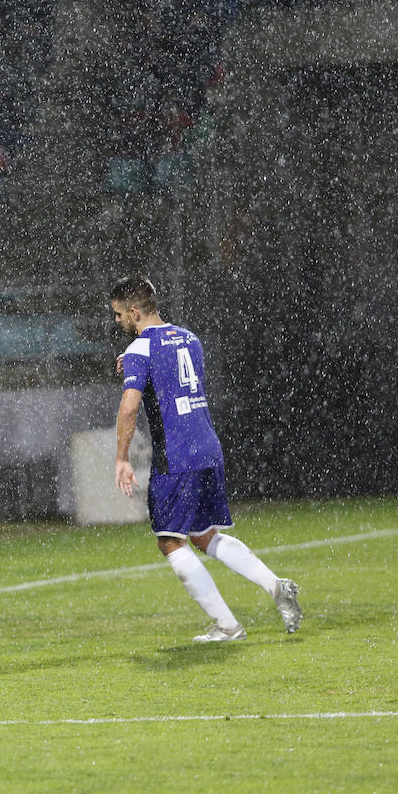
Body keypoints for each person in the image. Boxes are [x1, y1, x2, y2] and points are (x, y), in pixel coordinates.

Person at [111, 274, 301, 641]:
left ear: (134, 311)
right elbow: (170, 373)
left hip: (177, 455)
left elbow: (130, 406)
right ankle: (277, 587)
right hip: (207, 446)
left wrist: (122, 457)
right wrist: (133, 358)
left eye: (119, 314)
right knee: (202, 535)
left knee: (169, 541)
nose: (117, 322)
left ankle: (229, 627)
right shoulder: (188, 337)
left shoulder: (140, 350)